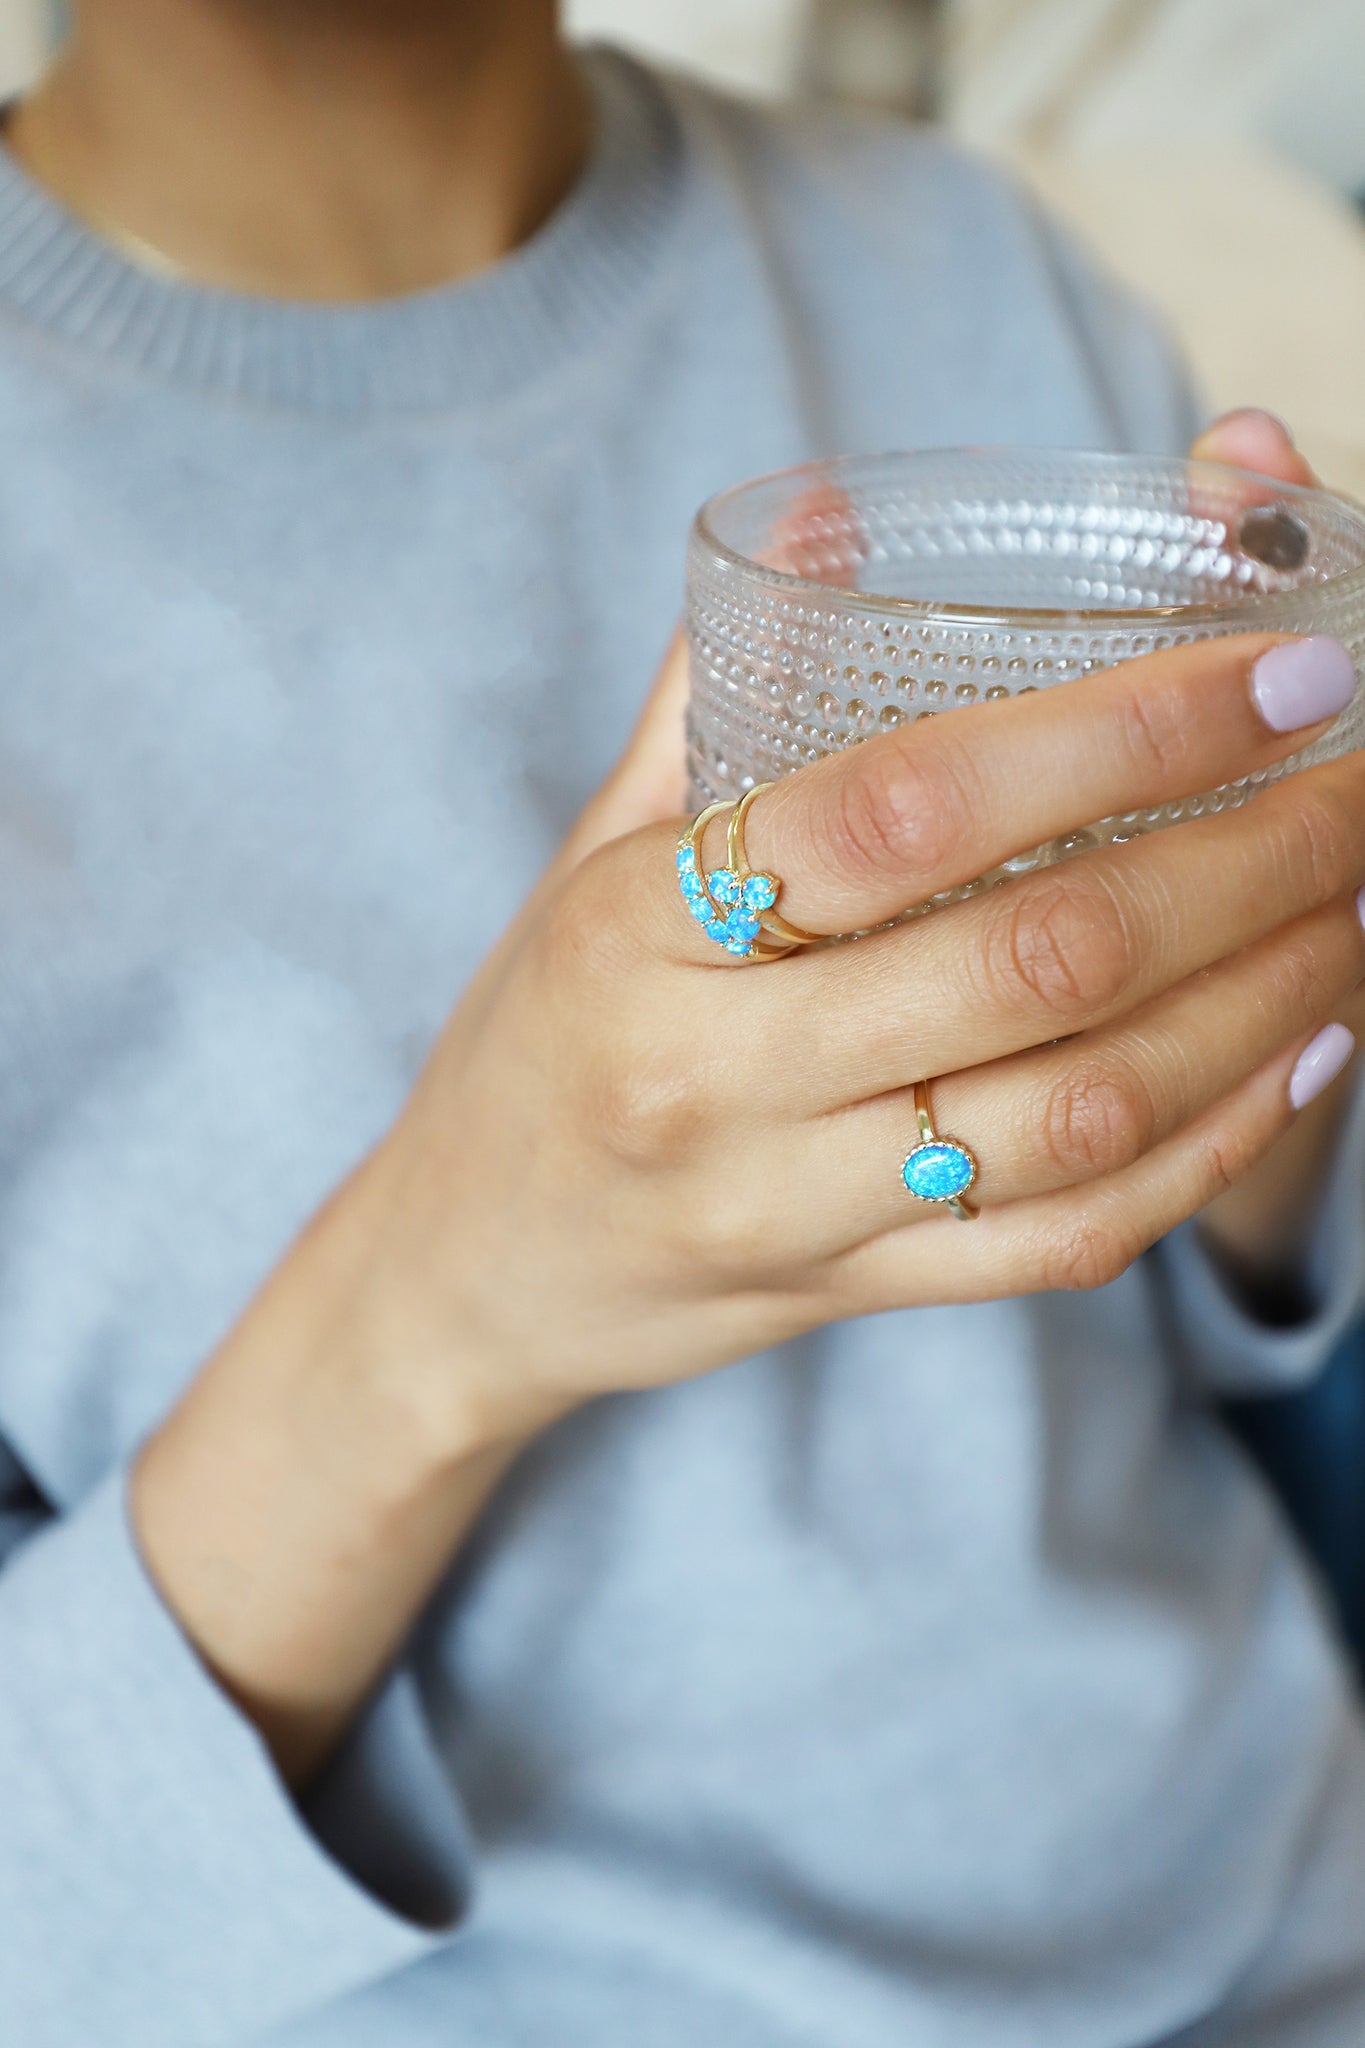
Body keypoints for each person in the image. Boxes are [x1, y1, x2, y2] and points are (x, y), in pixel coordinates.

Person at [1, 5, 1364, 2044]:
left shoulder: (965, 268)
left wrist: (1262, 958)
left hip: (1259, 1923)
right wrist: (452, 1282)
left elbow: (1234, 1300)